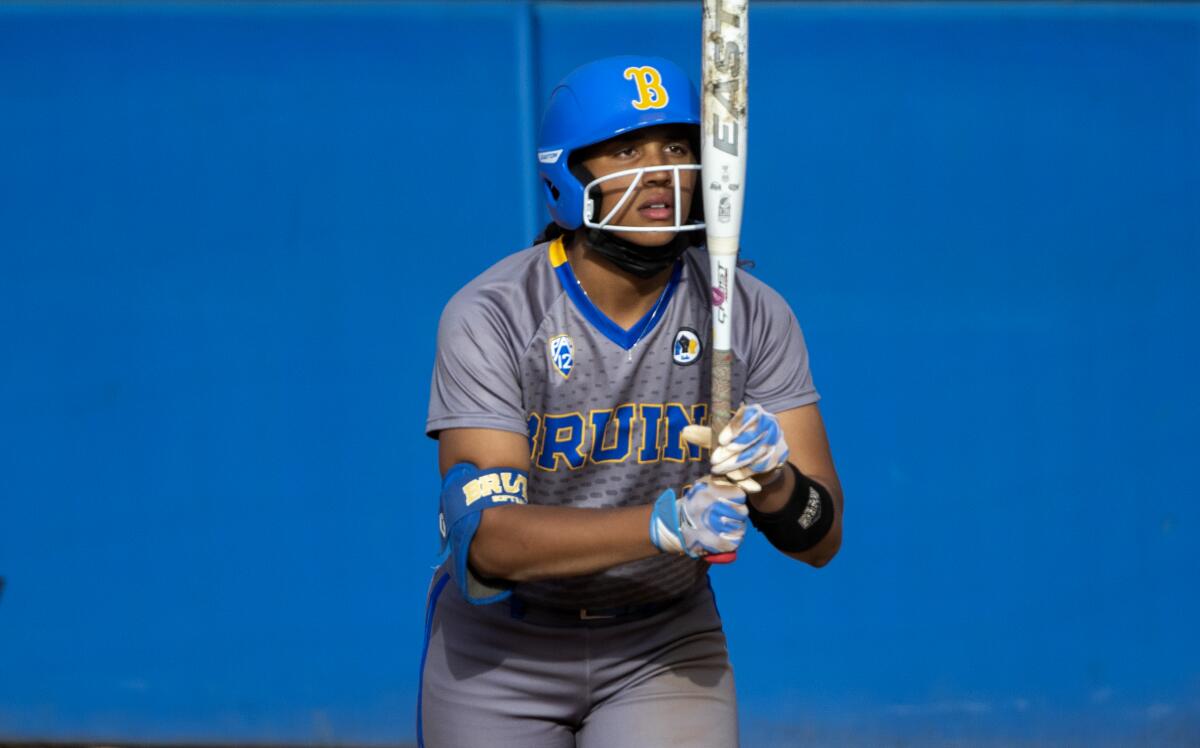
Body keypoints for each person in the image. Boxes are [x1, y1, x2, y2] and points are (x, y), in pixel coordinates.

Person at [419, 55, 842, 748]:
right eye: (626, 147)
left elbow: (822, 538)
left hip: (663, 640)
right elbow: (489, 544)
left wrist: (773, 482)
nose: (660, 170)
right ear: (567, 173)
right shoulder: (494, 315)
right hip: (502, 648)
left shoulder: (748, 311)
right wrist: (667, 524)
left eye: (677, 146)